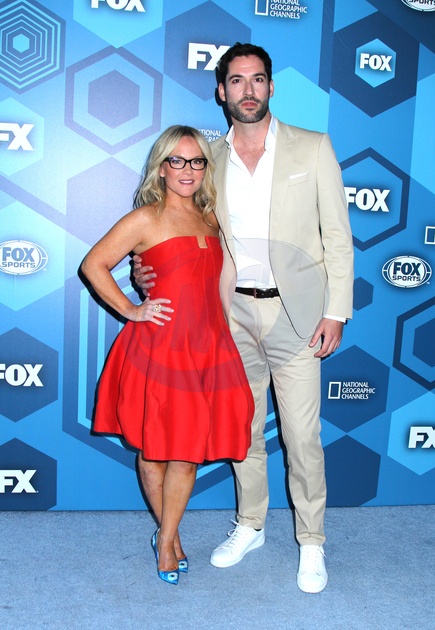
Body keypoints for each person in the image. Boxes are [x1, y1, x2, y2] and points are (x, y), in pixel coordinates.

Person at [134, 43, 354, 593]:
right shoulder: (206, 160)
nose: (248, 90)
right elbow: (180, 229)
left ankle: (311, 542)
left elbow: (338, 238)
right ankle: (251, 524)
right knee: (243, 430)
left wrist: (336, 311)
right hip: (228, 317)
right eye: (236, 80)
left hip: (297, 314)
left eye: (257, 79)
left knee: (302, 437)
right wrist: (144, 269)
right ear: (221, 91)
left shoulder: (313, 147)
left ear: (271, 87)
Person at [81, 125, 254, 586]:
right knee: (155, 446)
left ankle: (166, 535)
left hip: (208, 346)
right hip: (159, 347)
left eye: (196, 161)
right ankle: (169, 541)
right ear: (161, 167)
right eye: (177, 160)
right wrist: (132, 309)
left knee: (186, 450)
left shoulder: (212, 218)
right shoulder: (145, 218)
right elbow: (93, 264)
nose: (187, 170)